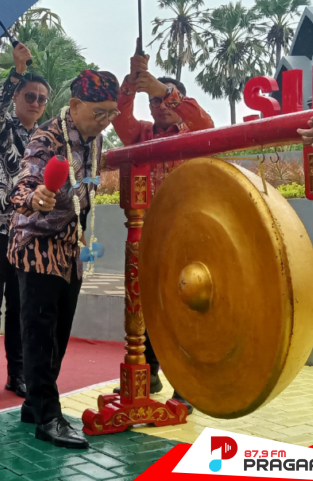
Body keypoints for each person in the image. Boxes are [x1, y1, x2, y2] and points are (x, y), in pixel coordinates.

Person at [8, 69, 120, 449]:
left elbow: (84, 190)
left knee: (59, 331)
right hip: (36, 241)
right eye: (98, 112)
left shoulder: (95, 137)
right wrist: (36, 196)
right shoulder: (48, 137)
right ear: (74, 105)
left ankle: (35, 405)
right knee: (39, 332)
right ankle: (48, 417)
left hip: (70, 244)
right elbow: (24, 183)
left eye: (111, 113)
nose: (105, 121)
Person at [112, 48, 214, 413]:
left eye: (166, 98)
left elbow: (207, 125)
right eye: (154, 100)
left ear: (177, 99)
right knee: (149, 306)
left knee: (183, 309)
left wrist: (160, 87)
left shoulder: (193, 130)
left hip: (187, 237)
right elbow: (119, 119)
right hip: (149, 234)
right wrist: (132, 81)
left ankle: (184, 384)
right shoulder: (141, 134)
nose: (160, 105)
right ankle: (150, 372)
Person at [0, 43, 49, 402]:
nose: (35, 102)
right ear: (17, 97)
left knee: (19, 303)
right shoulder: (1, 127)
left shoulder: (45, 139)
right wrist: (15, 71)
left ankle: (17, 374)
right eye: (29, 95)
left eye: (41, 98)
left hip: (23, 227)